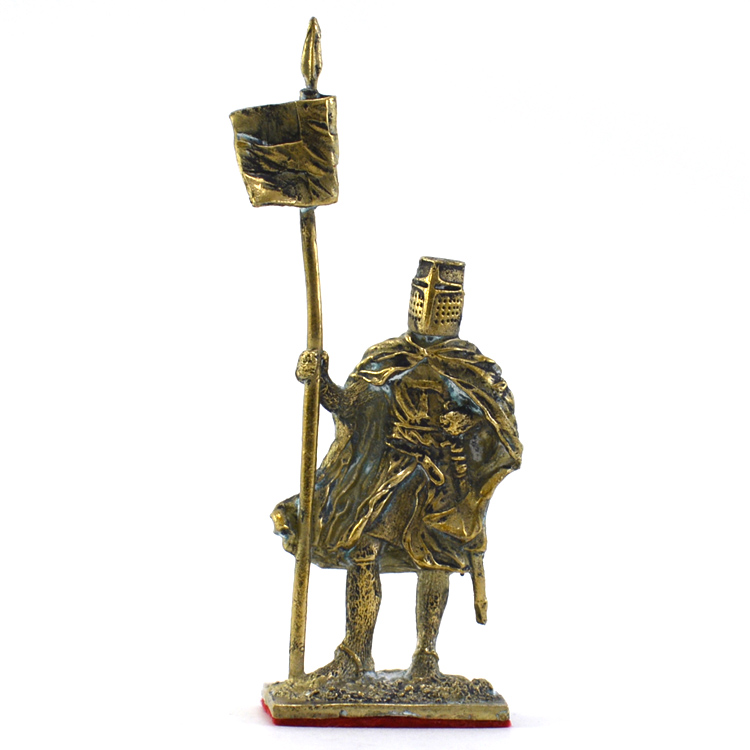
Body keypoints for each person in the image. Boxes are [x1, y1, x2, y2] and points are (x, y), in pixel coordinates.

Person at [272, 256, 522, 680]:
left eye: (442, 298)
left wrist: (467, 427)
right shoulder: (387, 357)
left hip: (445, 480)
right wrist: (320, 381)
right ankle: (354, 656)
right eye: (422, 294)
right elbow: (351, 409)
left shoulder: (476, 369)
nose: (429, 305)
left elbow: (503, 434)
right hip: (393, 475)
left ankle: (426, 657)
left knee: (436, 561)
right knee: (363, 547)